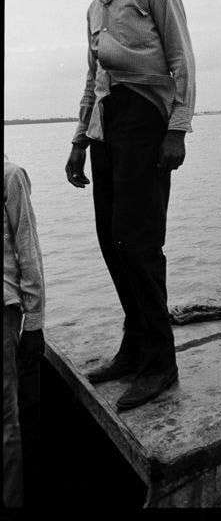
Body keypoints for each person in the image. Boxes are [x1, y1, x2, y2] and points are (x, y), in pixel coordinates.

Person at [63, 0, 196, 411]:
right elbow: (92, 78)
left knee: (139, 241)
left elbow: (182, 59)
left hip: (147, 120)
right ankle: (134, 346)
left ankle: (161, 362)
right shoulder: (94, 8)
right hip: (106, 126)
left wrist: (177, 130)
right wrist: (79, 140)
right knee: (111, 239)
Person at [3, 156, 46, 509]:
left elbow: (28, 251)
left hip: (4, 309)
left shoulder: (11, 176)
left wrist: (34, 323)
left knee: (5, 421)